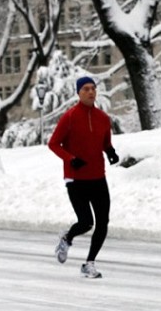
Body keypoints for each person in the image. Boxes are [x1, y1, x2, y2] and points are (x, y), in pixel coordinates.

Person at [48, 76, 119, 279]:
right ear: (78, 93)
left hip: (98, 177)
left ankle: (89, 263)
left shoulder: (103, 118)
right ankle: (67, 237)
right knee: (86, 222)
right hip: (76, 179)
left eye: (93, 88)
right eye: (86, 89)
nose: (90, 92)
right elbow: (53, 144)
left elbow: (105, 142)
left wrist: (111, 152)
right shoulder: (69, 117)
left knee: (103, 222)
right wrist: (70, 159)